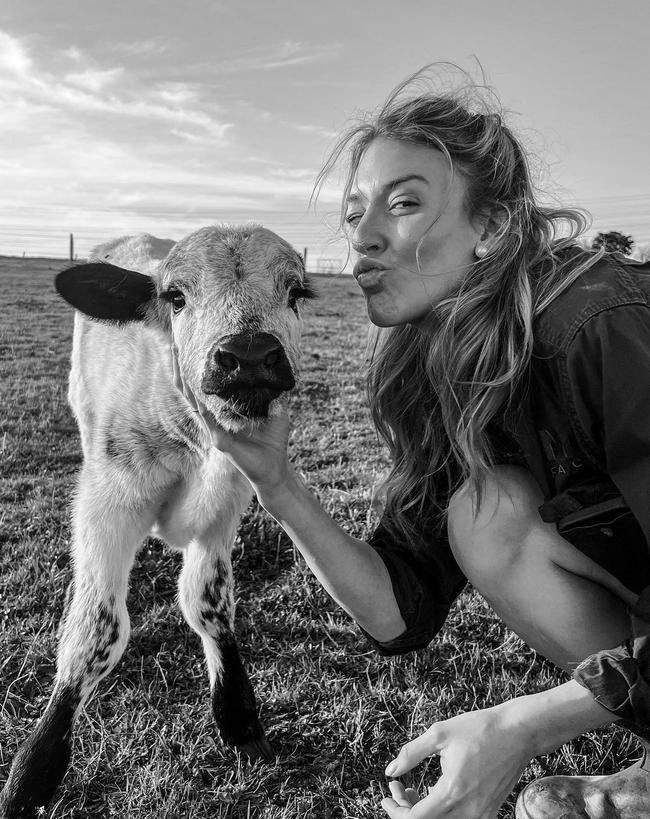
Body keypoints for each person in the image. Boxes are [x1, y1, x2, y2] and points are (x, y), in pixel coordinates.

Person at [178, 68, 650, 818]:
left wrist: (521, 727)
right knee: (484, 515)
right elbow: (402, 608)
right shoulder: (439, 365)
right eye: (355, 211)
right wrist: (279, 482)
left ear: (492, 225)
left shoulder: (598, 324)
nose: (363, 238)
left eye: (404, 204)